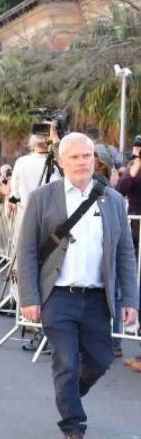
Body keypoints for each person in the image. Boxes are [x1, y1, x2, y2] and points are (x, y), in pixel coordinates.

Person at [16, 133, 138, 439]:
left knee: (100, 360)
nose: (82, 162)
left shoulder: (111, 199)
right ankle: (73, 423)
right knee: (67, 361)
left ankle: (67, 394)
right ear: (61, 161)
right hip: (58, 295)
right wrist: (29, 297)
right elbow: (27, 249)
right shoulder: (43, 197)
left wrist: (131, 300)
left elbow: (125, 252)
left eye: (87, 156)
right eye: (74, 157)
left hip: (98, 297)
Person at [116, 134, 141, 367]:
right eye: (136, 147)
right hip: (135, 229)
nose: (137, 151)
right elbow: (121, 189)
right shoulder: (132, 168)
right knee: (133, 280)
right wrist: (133, 169)